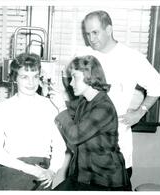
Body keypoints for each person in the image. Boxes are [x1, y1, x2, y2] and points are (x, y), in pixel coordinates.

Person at [67, 10, 160, 190]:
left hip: (115, 149)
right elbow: (72, 91)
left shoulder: (131, 57)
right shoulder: (83, 55)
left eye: (95, 32)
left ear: (109, 29)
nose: (91, 38)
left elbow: (159, 86)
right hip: (84, 149)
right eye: (87, 34)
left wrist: (140, 112)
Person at [49, 55, 130, 190]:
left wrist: (61, 107)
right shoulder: (85, 101)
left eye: (74, 77)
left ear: (89, 77)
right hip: (84, 176)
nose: (70, 83)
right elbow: (69, 108)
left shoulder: (104, 107)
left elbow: (75, 136)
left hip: (105, 181)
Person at [0, 53, 66, 190]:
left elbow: (59, 146)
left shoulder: (51, 107)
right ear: (14, 78)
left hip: (42, 174)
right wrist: (30, 169)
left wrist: (52, 170)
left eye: (35, 76)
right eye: (24, 77)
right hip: (11, 172)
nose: (31, 83)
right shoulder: (2, 108)